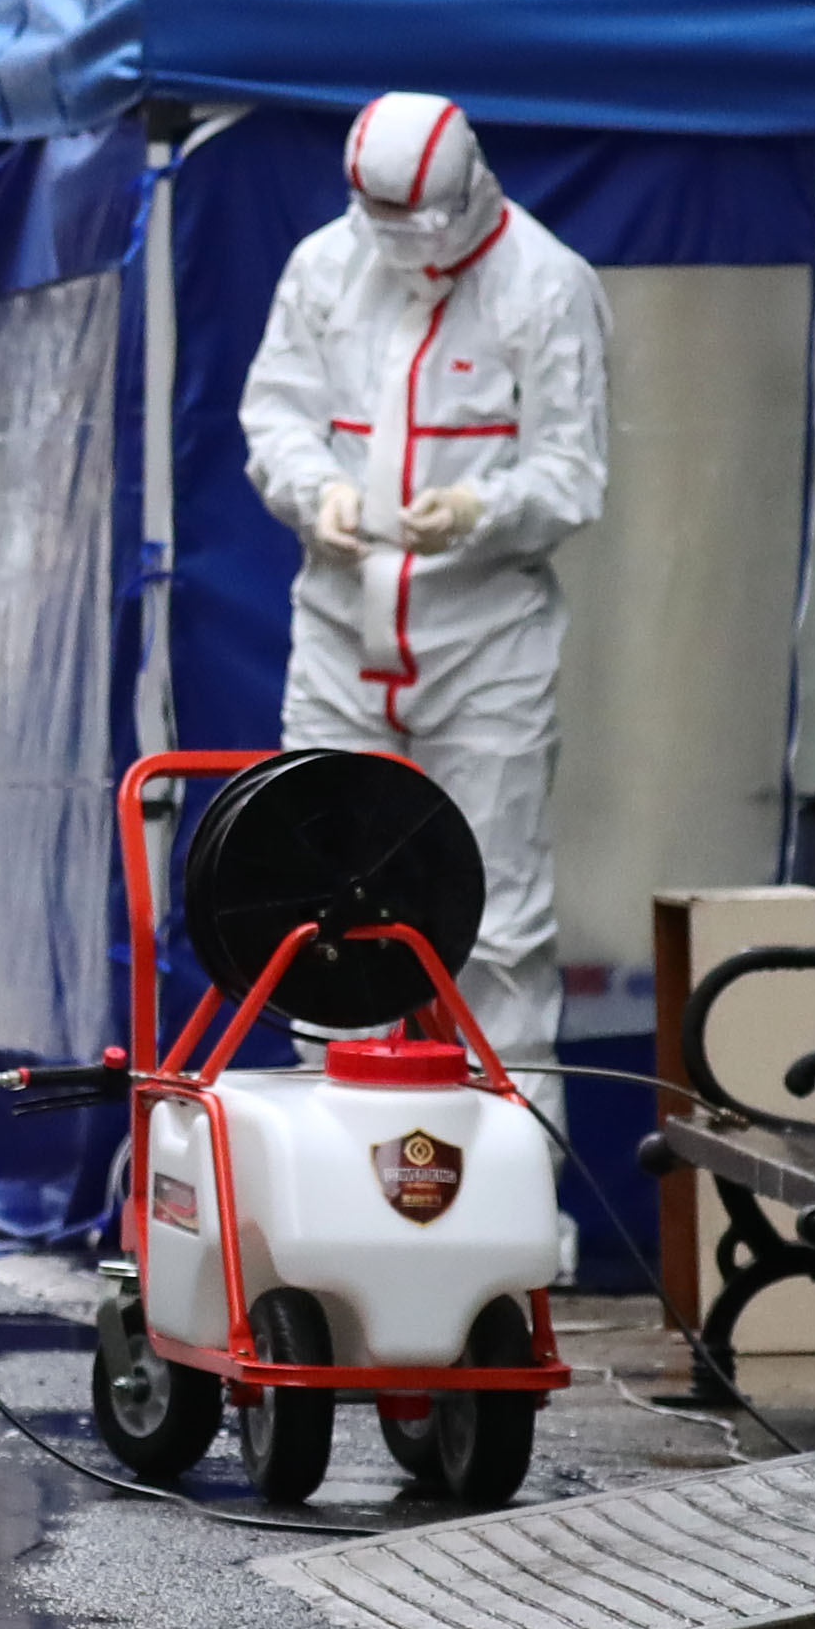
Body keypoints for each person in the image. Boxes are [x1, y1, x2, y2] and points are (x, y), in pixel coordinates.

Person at [236, 93, 611, 1071]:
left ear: (472, 182)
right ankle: (333, 1174)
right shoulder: (326, 267)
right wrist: (313, 492)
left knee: (496, 916)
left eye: (425, 222)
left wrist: (481, 512)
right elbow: (275, 411)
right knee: (323, 907)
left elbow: (573, 471)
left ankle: (512, 1161)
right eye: (386, 223)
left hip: (484, 641)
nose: (407, 246)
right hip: (337, 631)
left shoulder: (546, 285)